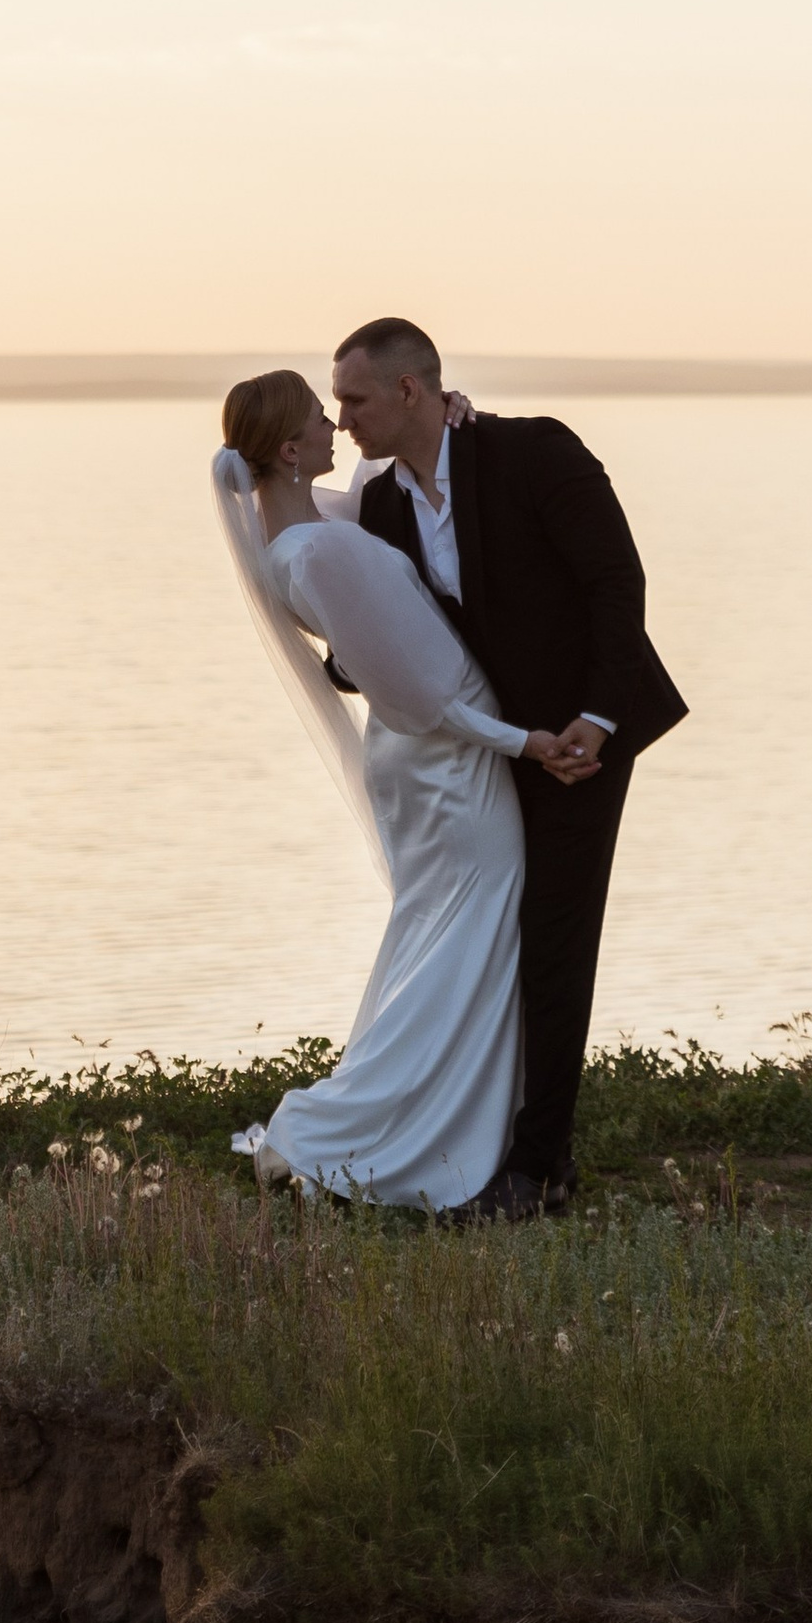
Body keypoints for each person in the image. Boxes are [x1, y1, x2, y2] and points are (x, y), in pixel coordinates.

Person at [332, 314, 685, 1207]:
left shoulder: (535, 452)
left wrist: (595, 721)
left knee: (558, 934)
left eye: (354, 399)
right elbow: (389, 637)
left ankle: (541, 1167)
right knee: (494, 933)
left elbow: (618, 584)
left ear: (410, 389)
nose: (343, 422)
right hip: (490, 750)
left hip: (584, 739)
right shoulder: (378, 505)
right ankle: (475, 1136)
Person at [212, 369, 531, 1210]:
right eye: (323, 416)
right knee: (470, 931)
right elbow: (420, 696)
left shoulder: (303, 536)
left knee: (438, 933)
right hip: (445, 766)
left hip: (420, 765)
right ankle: (351, 1130)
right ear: (289, 448)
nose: (337, 425)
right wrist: (523, 740)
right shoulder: (314, 554)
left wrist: (450, 420)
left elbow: (375, 501)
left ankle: (417, 1114)